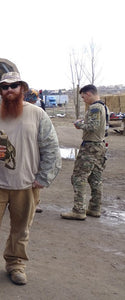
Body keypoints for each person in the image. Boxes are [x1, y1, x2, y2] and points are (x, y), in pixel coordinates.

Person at [0, 72, 61, 287]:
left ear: (22, 89)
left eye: (14, 86)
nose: (9, 90)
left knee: (21, 229)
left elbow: (51, 149)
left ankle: (16, 265)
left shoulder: (38, 115)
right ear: (0, 91)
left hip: (26, 183)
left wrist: (43, 177)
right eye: (4, 87)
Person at [61, 84, 108, 220]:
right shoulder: (103, 106)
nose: (83, 100)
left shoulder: (94, 108)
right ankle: (94, 208)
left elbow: (93, 126)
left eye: (83, 97)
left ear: (89, 94)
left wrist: (78, 124)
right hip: (100, 145)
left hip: (90, 147)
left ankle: (79, 209)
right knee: (95, 178)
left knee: (78, 177)